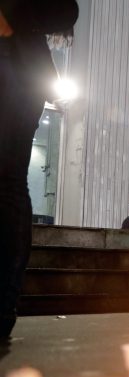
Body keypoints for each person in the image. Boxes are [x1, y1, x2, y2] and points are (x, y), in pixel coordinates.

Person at [0, 0, 79, 341]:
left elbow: (65, 10)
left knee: (8, 179)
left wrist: (10, 16)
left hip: (17, 67)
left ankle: (3, 306)